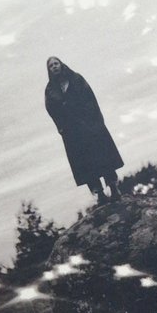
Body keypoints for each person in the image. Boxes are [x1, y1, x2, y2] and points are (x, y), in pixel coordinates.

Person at [43, 56, 124, 204]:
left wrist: (94, 120)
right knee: (85, 163)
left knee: (103, 156)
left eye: (56, 63)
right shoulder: (50, 90)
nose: (54, 67)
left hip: (90, 126)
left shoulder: (76, 79)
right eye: (51, 66)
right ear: (49, 70)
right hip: (73, 133)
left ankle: (114, 188)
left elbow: (90, 98)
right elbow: (51, 110)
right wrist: (62, 127)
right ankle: (99, 194)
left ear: (61, 64)